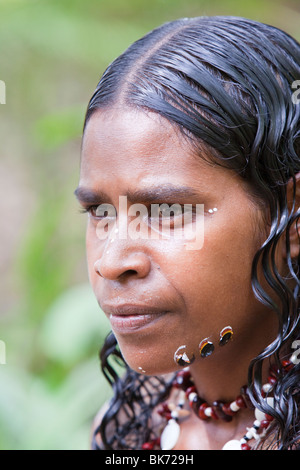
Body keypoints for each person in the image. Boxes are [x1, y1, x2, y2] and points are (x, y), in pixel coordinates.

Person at [74, 16, 300, 450]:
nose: (111, 261)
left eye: (166, 211)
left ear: (292, 215)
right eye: (99, 211)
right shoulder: (127, 428)